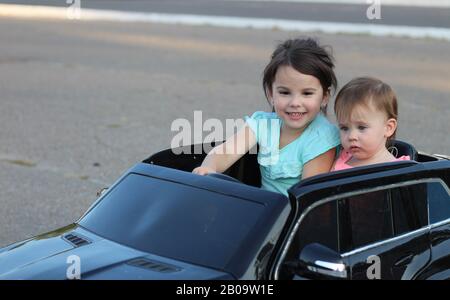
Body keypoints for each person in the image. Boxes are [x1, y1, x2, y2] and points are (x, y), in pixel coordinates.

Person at [193, 38, 341, 196]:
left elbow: (308, 194)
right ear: (271, 94)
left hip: (295, 215)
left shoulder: (322, 138)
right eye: (284, 92)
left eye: (307, 93)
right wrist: (209, 168)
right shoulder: (262, 123)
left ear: (325, 97)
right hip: (266, 212)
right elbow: (227, 151)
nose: (295, 102)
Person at [332, 77, 410, 171]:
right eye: (344, 128)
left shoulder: (397, 170)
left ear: (388, 128)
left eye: (361, 127)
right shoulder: (341, 158)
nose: (351, 136)